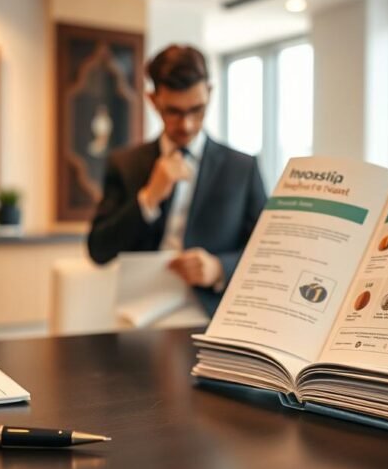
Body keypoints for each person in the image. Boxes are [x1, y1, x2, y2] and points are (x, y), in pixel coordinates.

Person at [87, 45, 267, 316]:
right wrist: (148, 199)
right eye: (173, 111)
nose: (187, 124)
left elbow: (267, 250)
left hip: (215, 314)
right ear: (153, 100)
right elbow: (98, 250)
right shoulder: (125, 164)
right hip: (138, 313)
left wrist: (220, 268)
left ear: (210, 93)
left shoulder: (242, 167)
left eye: (197, 109)